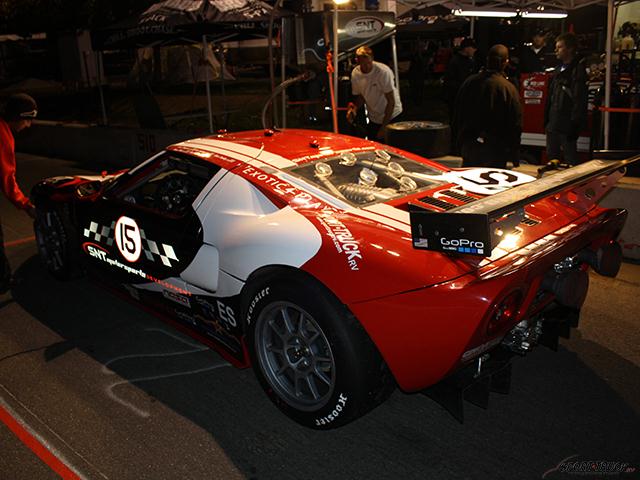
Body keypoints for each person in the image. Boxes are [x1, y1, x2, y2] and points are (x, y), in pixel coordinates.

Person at [453, 44, 522, 169]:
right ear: (505, 62)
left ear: (487, 60)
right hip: (496, 148)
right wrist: (514, 154)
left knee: (468, 177)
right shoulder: (508, 88)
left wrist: (458, 143)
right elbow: (515, 123)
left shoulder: (470, 82)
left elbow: (458, 113)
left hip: (470, 144)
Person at [1, 93, 37, 293]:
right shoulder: (3, 135)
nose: (29, 125)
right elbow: (7, 178)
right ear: (19, 117)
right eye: (28, 120)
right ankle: (3, 281)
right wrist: (26, 205)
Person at [544, 32, 588, 165]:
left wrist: (575, 124)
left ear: (570, 49)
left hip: (567, 125)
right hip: (553, 123)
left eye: (560, 47)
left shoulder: (577, 71)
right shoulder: (558, 70)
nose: (556, 50)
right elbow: (550, 96)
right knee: (552, 160)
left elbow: (579, 99)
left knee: (570, 160)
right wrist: (547, 119)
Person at [346, 46, 403, 141]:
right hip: (374, 117)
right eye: (363, 64)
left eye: (369, 63)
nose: (367, 67)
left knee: (392, 145)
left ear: (372, 59)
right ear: (357, 61)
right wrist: (354, 109)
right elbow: (361, 96)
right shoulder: (355, 74)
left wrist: (384, 127)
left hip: (392, 115)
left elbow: (391, 101)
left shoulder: (383, 72)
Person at [443, 37, 478, 120]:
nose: (475, 50)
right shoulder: (455, 62)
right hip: (456, 98)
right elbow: (449, 82)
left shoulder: (470, 61)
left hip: (466, 98)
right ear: (467, 48)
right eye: (473, 48)